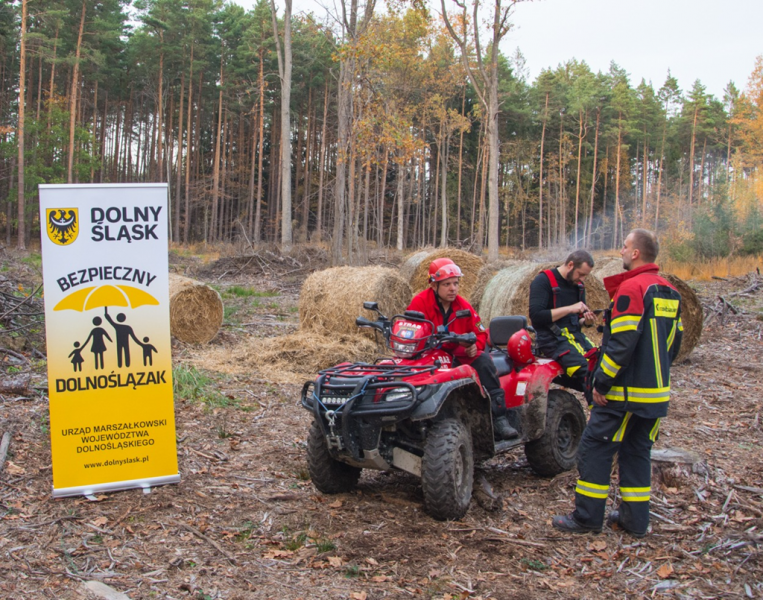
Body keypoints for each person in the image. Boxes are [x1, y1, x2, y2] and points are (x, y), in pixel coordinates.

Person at [553, 229, 683, 537]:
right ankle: (635, 521)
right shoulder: (670, 292)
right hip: (655, 395)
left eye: (625, 246)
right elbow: (674, 345)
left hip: (624, 394)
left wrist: (602, 383)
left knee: (594, 448)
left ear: (636, 253)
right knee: (637, 452)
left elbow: (621, 344)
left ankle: (586, 518)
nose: (621, 251)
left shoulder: (632, 289)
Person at [407, 258, 518, 440]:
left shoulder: (464, 307)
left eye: (456, 283)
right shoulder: (419, 304)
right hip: (429, 355)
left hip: (459, 354)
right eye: (447, 284)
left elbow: (481, 333)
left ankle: (499, 418)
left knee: (483, 362)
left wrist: (475, 346)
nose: (453, 288)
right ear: (434, 285)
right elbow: (409, 330)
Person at [528, 250, 597, 391]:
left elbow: (578, 321)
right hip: (552, 341)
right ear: (570, 265)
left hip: (575, 337)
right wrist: (570, 308)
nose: (582, 279)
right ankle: (598, 410)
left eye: (586, 275)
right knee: (588, 374)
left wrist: (587, 322)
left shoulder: (578, 286)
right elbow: (536, 316)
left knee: (600, 365)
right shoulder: (543, 281)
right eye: (581, 274)